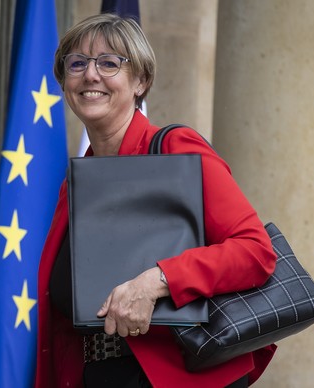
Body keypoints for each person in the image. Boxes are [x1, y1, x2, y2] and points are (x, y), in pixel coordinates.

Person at [35, 13, 277, 388]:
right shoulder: (75, 186)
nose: (90, 75)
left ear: (141, 81)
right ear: (65, 83)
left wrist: (157, 281)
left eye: (109, 63)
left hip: (175, 377)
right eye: (77, 63)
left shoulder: (175, 148)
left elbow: (255, 252)